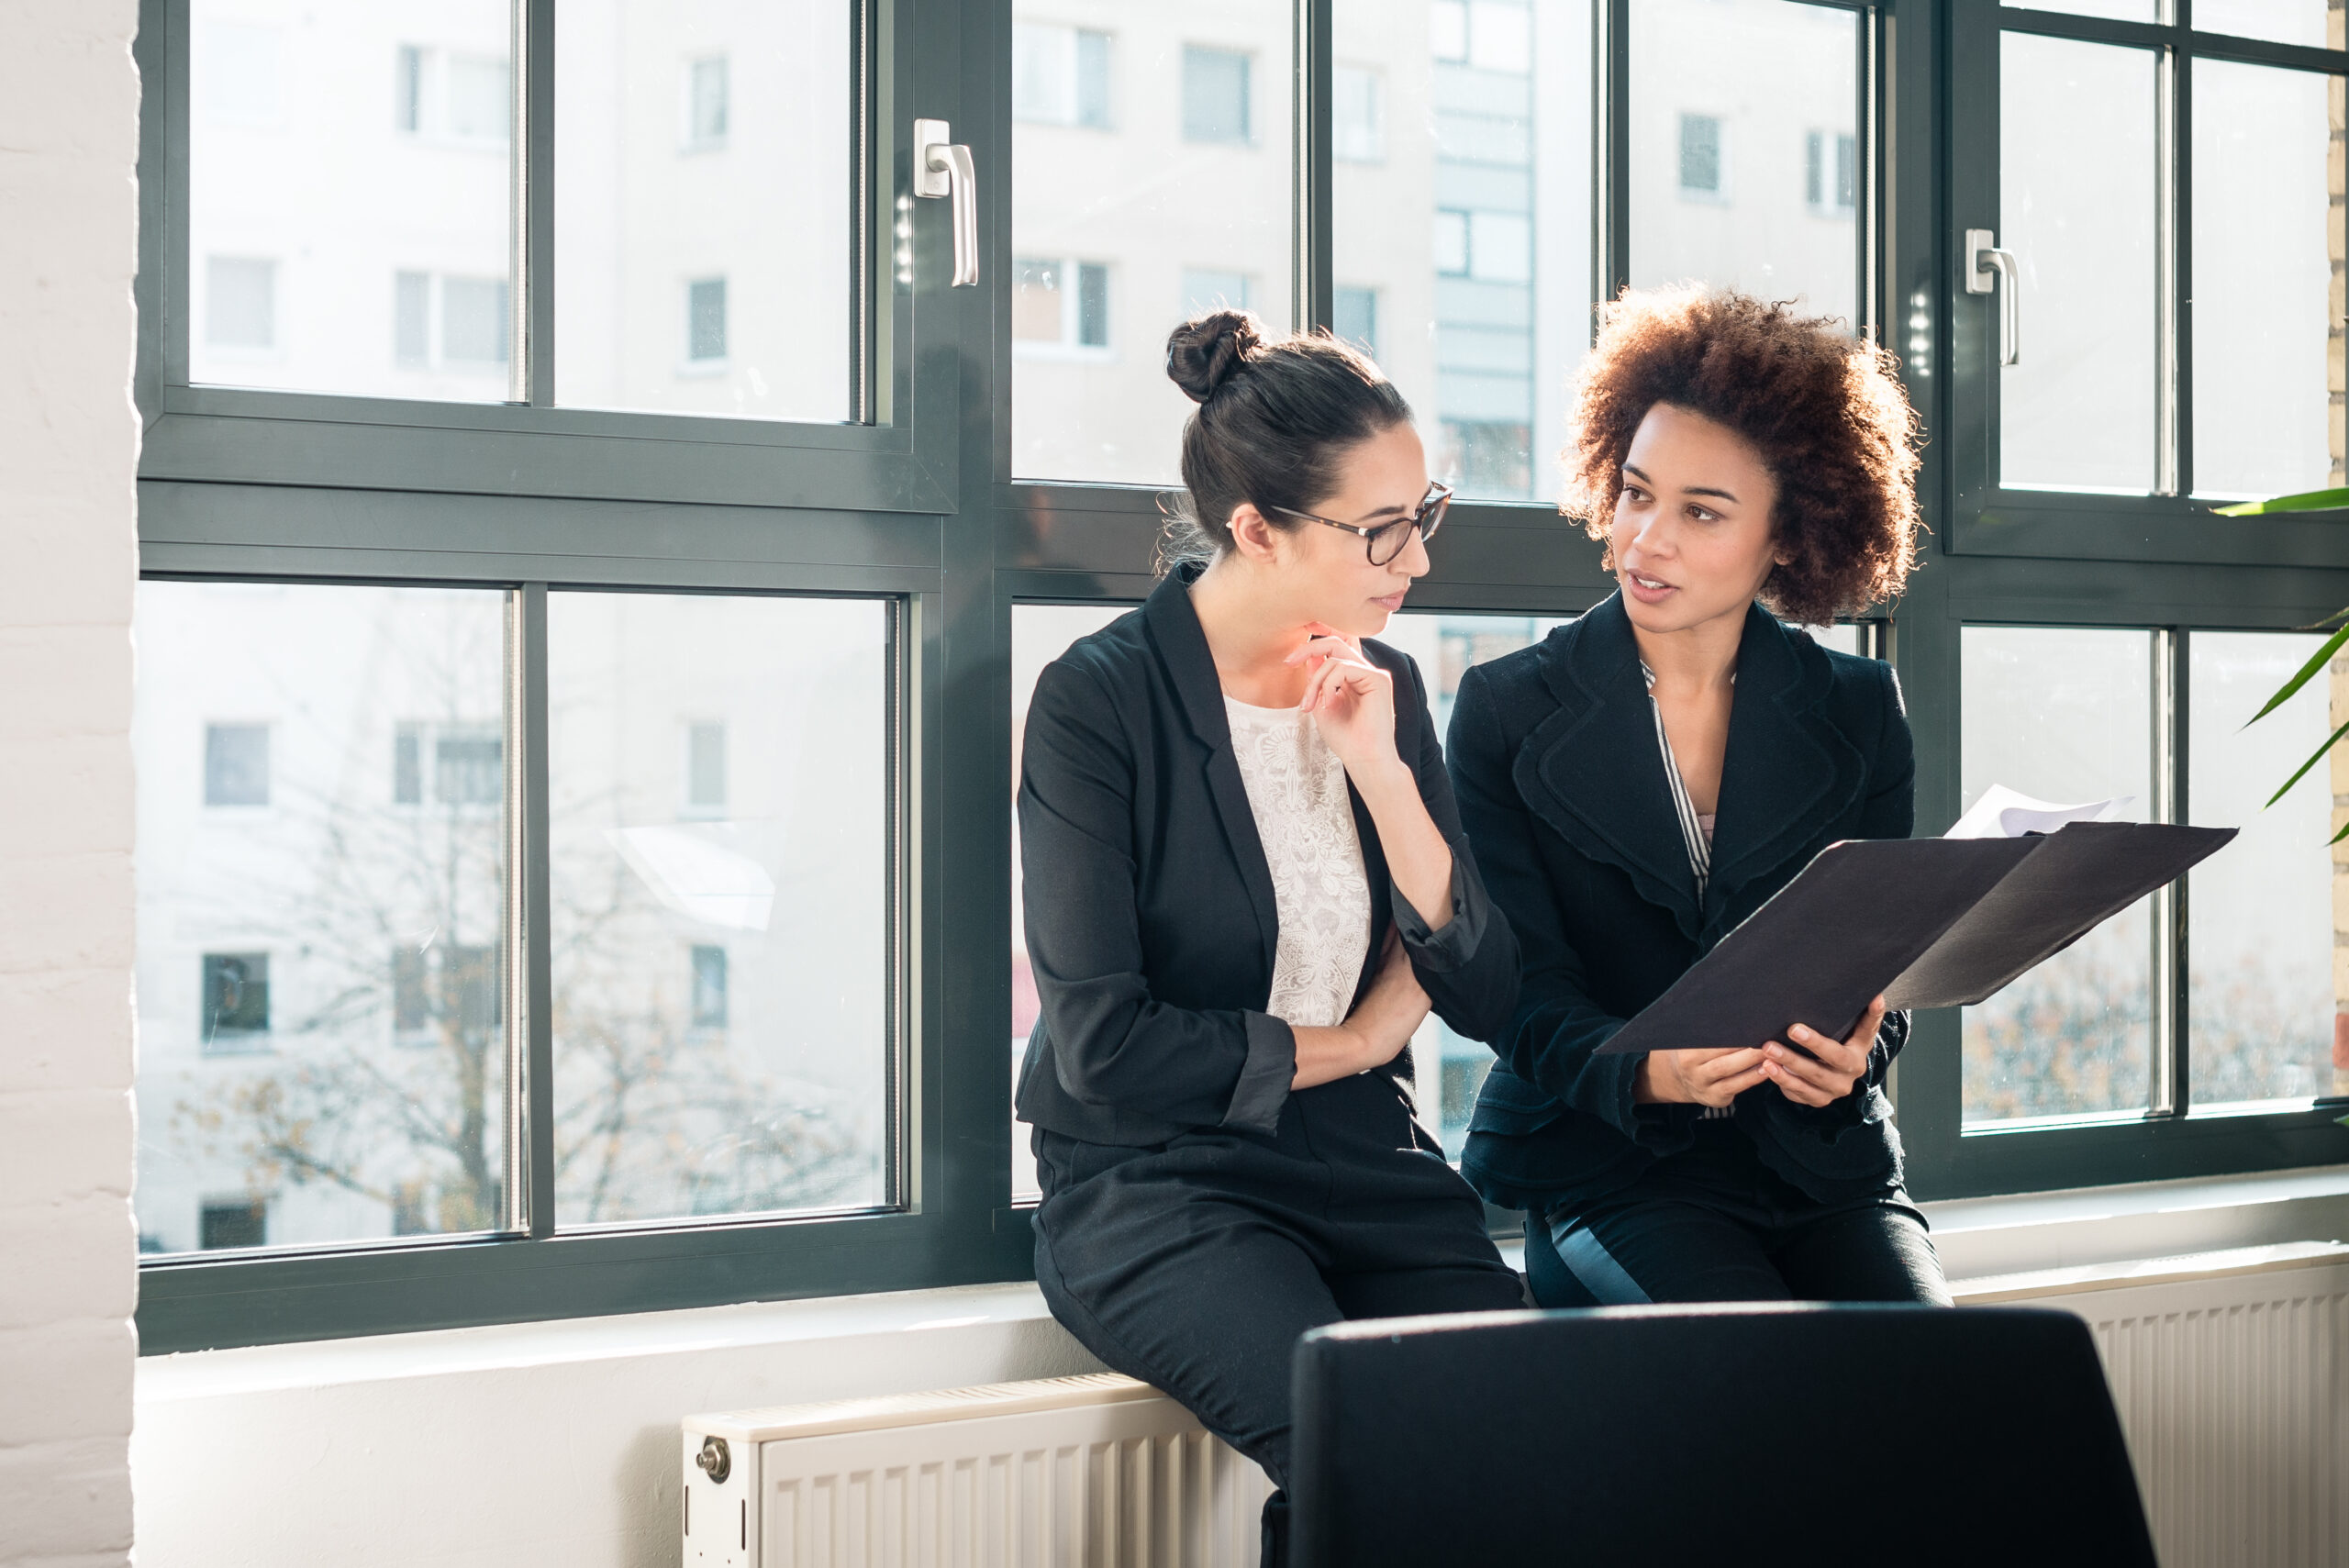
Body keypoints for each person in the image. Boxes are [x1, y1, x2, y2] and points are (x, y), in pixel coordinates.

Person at [1017, 310, 1527, 1564]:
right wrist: (1353, 1040)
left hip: (1366, 1164)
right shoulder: (1100, 703)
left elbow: (1489, 987)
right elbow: (1105, 1047)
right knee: (1356, 1444)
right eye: (1379, 531)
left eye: (1426, 514)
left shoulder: (1383, 688)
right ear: (1255, 527)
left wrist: (1387, 777)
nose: (1415, 557)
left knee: (1539, 1420)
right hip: (1157, 1185)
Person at [1451, 285, 1952, 1309]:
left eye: (1700, 511)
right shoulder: (1505, 707)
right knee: (1755, 1381)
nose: (1647, 538)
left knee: (1941, 1388)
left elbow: (1874, 959)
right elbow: (1516, 989)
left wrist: (1857, 1047)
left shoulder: (1857, 708)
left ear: (1789, 535)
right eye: (1636, 493)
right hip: (1610, 1159)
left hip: (1821, 1167)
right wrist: (1654, 1070)